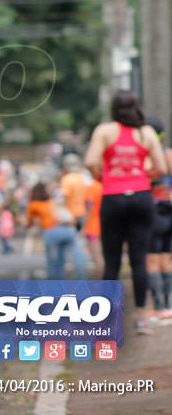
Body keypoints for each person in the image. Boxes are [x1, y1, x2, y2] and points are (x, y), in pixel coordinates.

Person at [84, 90, 168, 335]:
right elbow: (161, 167)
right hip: (141, 196)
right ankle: (141, 319)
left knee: (112, 261)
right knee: (138, 259)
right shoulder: (147, 133)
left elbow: (90, 161)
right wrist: (143, 177)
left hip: (113, 196)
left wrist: (102, 176)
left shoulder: (104, 131)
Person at [25, 182, 86, 280]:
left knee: (53, 262)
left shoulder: (33, 204)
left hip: (51, 231)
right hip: (69, 229)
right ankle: (82, 280)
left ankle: (55, 287)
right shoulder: (52, 201)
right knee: (73, 257)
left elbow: (29, 224)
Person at [145, 118, 172, 320]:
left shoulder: (146, 157)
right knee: (167, 259)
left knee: (152, 260)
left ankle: (160, 307)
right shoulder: (169, 153)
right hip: (169, 209)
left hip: (152, 211)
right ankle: (169, 307)